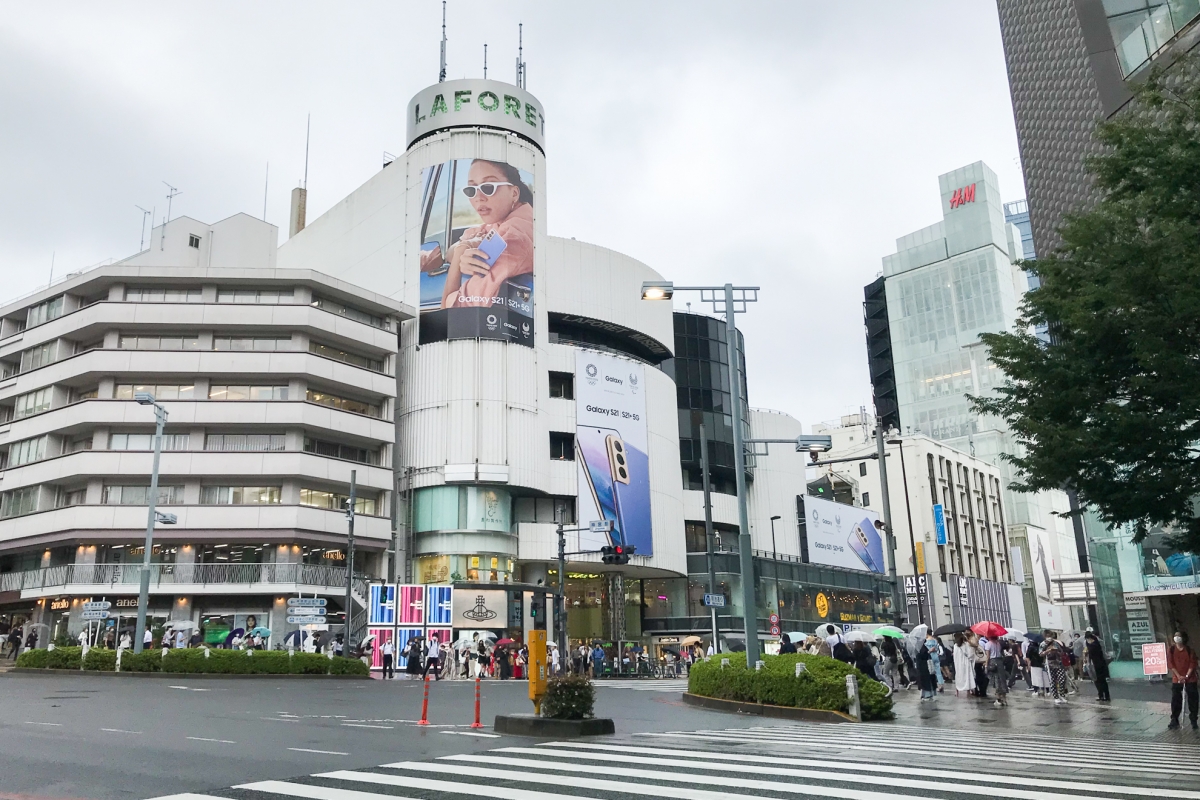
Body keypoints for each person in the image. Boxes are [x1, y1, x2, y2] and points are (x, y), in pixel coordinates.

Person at [439, 159, 535, 310]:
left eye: (488, 187)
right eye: (471, 190)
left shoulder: (512, 235)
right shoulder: (510, 221)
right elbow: (453, 249)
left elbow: (453, 309)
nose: (478, 197)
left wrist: (460, 253)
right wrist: (468, 246)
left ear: (514, 193)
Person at [1167, 631, 1198, 730]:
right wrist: (1179, 676)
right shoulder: (1171, 650)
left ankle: (1193, 720)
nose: (1177, 638)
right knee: (1176, 699)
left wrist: (1187, 676)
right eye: (1175, 636)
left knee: (1193, 700)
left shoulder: (1189, 650)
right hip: (1177, 679)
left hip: (1190, 679)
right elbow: (1170, 664)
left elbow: (1192, 664)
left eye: (1179, 636)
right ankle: (1174, 719)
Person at [1040, 630, 1069, 705]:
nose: (1049, 637)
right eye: (1047, 636)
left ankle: (1062, 694)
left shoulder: (1056, 643)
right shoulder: (1042, 644)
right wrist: (1048, 651)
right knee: (1052, 681)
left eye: (1050, 635)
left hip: (1058, 663)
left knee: (1062, 679)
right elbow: (1040, 654)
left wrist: (1056, 652)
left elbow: (1062, 652)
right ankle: (1056, 697)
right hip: (1049, 665)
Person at [1082, 631, 1110, 702]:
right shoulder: (1095, 643)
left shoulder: (1094, 645)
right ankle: (1104, 695)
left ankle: (1103, 696)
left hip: (1097, 665)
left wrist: (1086, 652)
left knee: (1099, 681)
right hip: (1097, 664)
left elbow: (1091, 653)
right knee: (1100, 681)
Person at [985, 636, 1008, 707]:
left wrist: (986, 665)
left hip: (993, 662)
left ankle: (998, 699)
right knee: (1002, 680)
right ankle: (1004, 698)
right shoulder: (998, 643)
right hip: (999, 662)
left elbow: (988, 656)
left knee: (996, 680)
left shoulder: (988, 644)